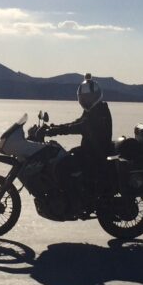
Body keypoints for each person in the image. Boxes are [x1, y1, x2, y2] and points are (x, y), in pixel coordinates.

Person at [43, 73, 113, 212]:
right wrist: (56, 127)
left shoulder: (99, 112)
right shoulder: (93, 110)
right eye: (84, 97)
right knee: (62, 160)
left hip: (95, 154)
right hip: (89, 151)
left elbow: (81, 126)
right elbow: (78, 122)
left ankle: (76, 203)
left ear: (96, 96)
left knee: (62, 167)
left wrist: (57, 131)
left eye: (88, 97)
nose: (85, 100)